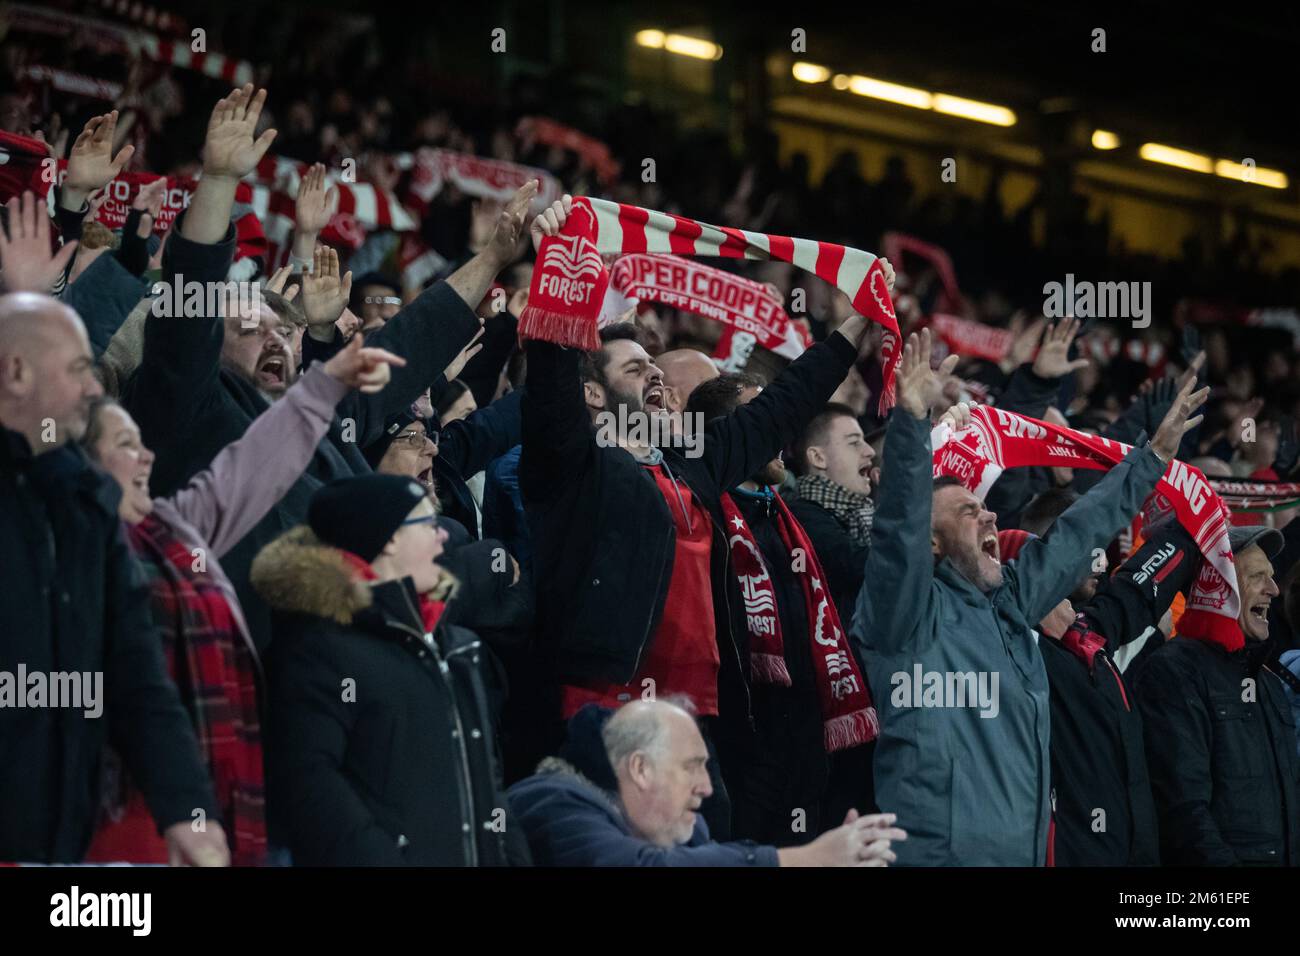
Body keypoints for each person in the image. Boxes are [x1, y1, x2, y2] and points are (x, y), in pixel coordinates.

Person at [101, 84, 529, 656]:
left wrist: (495, 258)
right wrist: (221, 180)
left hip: (353, 654)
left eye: (282, 329)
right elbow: (193, 289)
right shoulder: (188, 403)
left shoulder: (308, 418)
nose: (274, 337)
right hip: (253, 665)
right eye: (248, 329)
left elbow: (410, 345)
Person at [521, 196, 887, 836]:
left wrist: (854, 331)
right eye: (638, 370)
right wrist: (561, 273)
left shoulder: (687, 460)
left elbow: (779, 409)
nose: (656, 380)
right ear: (595, 394)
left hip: (704, 716)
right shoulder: (575, 462)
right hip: (611, 705)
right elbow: (550, 391)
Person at [850, 327, 1206, 866]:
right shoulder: (905, 618)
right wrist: (910, 423)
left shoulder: (1012, 605)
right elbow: (898, 527)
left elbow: (1076, 533)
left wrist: (1150, 459)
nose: (990, 513)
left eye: (985, 507)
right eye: (969, 512)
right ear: (932, 541)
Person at [78, 334, 402, 865]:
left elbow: (251, 467)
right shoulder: (59, 549)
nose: (147, 457)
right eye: (125, 445)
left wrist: (324, 387)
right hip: (109, 817)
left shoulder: (175, 530)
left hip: (218, 806)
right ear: (81, 463)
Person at [0, 290, 226, 865]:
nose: (94, 387)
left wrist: (187, 811)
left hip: (59, 845)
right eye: (78, 369)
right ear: (17, 372)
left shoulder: (84, 510)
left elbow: (136, 673)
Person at [251, 474, 528, 866]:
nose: (443, 538)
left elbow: (488, 783)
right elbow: (311, 788)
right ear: (390, 538)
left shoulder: (454, 645)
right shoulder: (317, 650)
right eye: (429, 525)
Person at [686, 375, 878, 844]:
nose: (784, 432)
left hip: (805, 749)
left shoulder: (781, 516)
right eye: (768, 415)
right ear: (732, 432)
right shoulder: (702, 512)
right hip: (743, 752)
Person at [508, 700, 905, 866]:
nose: (707, 787)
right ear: (641, 769)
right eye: (691, 766)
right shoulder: (552, 802)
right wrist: (804, 858)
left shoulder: (682, 828)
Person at [1135, 525, 1300, 865]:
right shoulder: (1173, 672)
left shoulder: (1265, 676)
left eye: (1271, 576)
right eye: (1257, 576)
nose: (1273, 589)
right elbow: (1183, 812)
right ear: (1217, 585)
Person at [789, 402, 877, 618]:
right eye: (854, 443)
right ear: (818, 458)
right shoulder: (802, 518)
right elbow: (866, 567)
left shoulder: (865, 511)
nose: (870, 451)